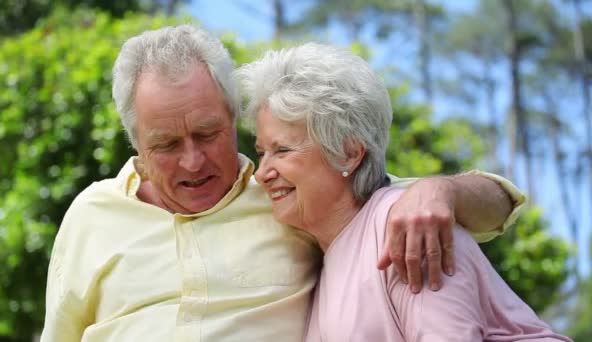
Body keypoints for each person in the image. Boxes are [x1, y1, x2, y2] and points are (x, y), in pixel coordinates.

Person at [41, 25, 524, 341]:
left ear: (233, 119)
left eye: (208, 133)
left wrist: (443, 189)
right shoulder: (92, 215)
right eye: (166, 144)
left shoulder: (289, 200)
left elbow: (488, 205)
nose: (192, 161)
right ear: (137, 144)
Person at [240, 42, 570, 341]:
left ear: (349, 154)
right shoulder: (327, 251)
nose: (264, 172)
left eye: (282, 151)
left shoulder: (407, 227)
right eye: (262, 151)